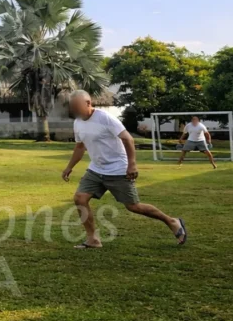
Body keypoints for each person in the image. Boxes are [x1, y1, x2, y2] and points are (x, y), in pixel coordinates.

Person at [61, 90, 187, 248]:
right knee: (80, 198)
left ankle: (172, 221)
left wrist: (131, 164)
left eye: (76, 106)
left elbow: (128, 138)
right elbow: (80, 146)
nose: (74, 110)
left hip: (118, 169)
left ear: (88, 103)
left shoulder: (105, 118)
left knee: (134, 206)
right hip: (96, 169)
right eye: (72, 107)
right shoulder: (78, 122)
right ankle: (92, 239)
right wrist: (69, 167)